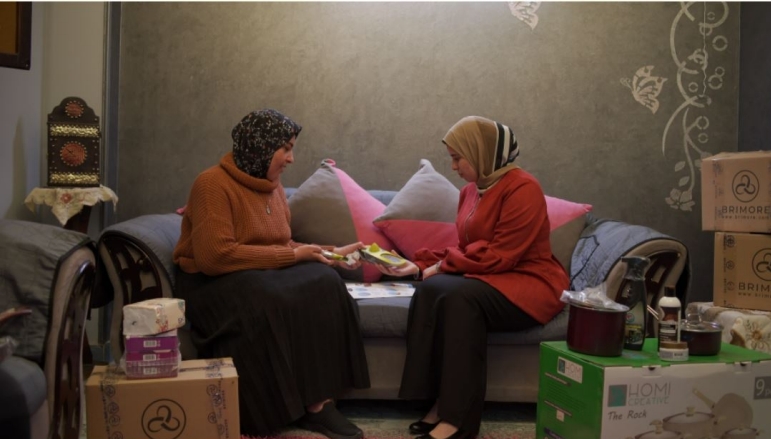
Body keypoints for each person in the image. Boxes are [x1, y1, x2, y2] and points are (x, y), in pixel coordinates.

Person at [173, 108, 370, 439]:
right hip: (211, 282)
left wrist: (326, 253)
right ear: (260, 146)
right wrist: (293, 256)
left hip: (256, 274)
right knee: (266, 295)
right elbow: (215, 256)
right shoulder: (211, 184)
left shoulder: (273, 186)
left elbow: (282, 243)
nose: (291, 158)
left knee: (324, 281)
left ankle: (318, 404)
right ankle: (270, 411)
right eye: (286, 147)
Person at [373, 116, 569, 439]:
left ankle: (457, 421)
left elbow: (502, 255)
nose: (453, 167)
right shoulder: (469, 192)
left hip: (529, 282)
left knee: (460, 298)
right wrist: (421, 268)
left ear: (481, 153)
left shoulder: (524, 188)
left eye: (457, 158)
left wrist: (438, 267)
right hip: (492, 276)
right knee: (429, 289)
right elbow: (468, 249)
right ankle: (437, 400)